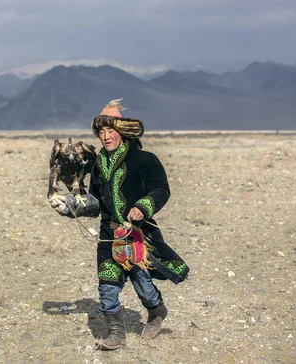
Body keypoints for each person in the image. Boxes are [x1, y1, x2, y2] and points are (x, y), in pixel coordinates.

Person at [49, 99, 189, 350]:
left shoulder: (145, 159)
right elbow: (94, 202)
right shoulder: (97, 165)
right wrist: (70, 206)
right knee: (107, 283)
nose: (105, 136)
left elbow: (161, 189)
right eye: (101, 132)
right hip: (108, 233)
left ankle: (157, 311)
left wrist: (143, 206)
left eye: (110, 130)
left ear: (122, 131)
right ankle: (116, 334)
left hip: (138, 233)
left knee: (142, 284)